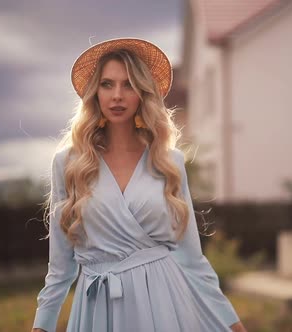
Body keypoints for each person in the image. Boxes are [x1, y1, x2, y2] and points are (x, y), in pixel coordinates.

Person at [31, 38, 247, 332]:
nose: (117, 95)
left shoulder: (169, 162)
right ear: (95, 91)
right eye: (107, 84)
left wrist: (233, 324)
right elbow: (60, 268)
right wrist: (41, 326)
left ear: (142, 93)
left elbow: (191, 259)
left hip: (163, 303)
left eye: (129, 84)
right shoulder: (68, 163)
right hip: (97, 309)